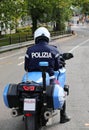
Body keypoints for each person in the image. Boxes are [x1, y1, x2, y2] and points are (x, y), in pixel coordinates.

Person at [24, 27, 71, 123]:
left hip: (31, 79)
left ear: (35, 37)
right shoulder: (53, 50)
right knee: (61, 90)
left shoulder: (29, 50)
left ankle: (25, 113)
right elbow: (57, 67)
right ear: (48, 37)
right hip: (50, 78)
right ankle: (63, 116)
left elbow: (26, 67)